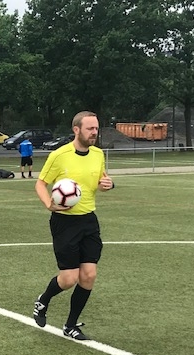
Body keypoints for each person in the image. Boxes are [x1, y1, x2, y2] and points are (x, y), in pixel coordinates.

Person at [33, 111, 114, 340]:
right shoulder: (59, 155)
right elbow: (40, 183)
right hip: (64, 222)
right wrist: (49, 203)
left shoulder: (98, 154)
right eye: (90, 129)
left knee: (88, 275)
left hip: (89, 220)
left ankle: (70, 325)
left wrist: (107, 184)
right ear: (76, 129)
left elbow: (100, 181)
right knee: (69, 279)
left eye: (96, 128)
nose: (94, 133)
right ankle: (43, 300)